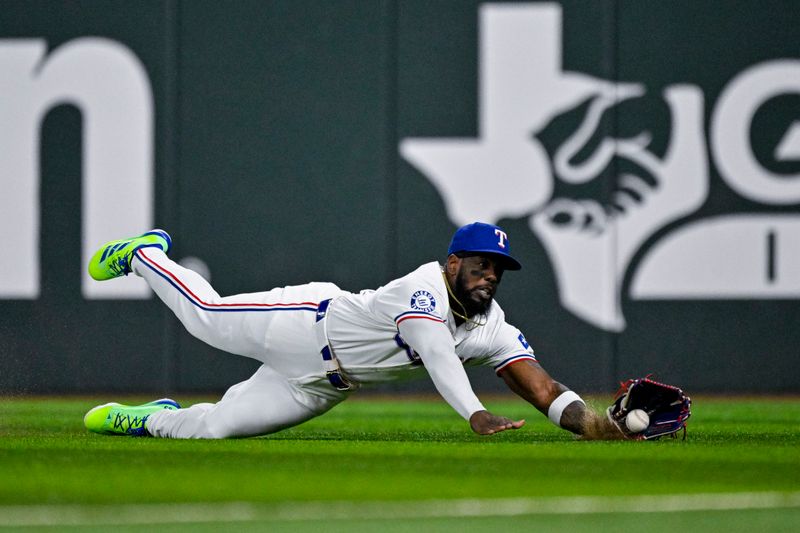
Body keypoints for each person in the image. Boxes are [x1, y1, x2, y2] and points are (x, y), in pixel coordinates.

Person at [83, 222, 621, 440]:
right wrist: (475, 413)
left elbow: (543, 389)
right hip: (299, 324)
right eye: (481, 263)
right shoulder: (423, 286)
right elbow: (435, 352)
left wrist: (598, 426)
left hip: (319, 386)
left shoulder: (492, 326)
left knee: (216, 429)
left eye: (499, 269)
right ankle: (145, 255)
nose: (490, 275)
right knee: (205, 314)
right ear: (453, 262)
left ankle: (152, 419)